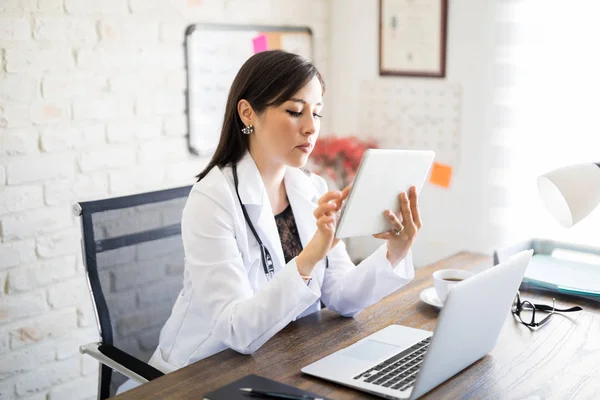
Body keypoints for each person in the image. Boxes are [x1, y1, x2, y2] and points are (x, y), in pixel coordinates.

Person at [148, 50, 422, 373]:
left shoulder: (313, 188)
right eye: (295, 111)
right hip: (200, 371)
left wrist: (394, 252)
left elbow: (342, 296)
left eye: (316, 114)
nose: (310, 128)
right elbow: (235, 330)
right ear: (248, 113)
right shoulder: (212, 199)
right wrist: (309, 259)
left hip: (281, 362)